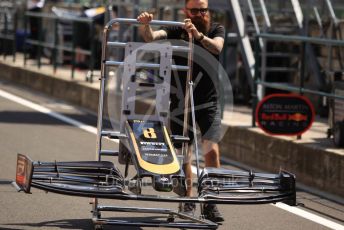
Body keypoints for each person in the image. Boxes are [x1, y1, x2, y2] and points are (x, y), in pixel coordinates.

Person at [137, 0, 225, 223]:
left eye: (202, 10)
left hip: (208, 101)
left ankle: (210, 201)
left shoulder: (216, 29)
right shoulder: (177, 29)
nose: (198, 14)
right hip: (179, 101)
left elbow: (217, 47)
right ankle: (187, 199)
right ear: (186, 11)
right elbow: (151, 37)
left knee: (211, 150)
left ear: (208, 11)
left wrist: (197, 36)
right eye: (194, 10)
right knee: (184, 152)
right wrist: (145, 25)